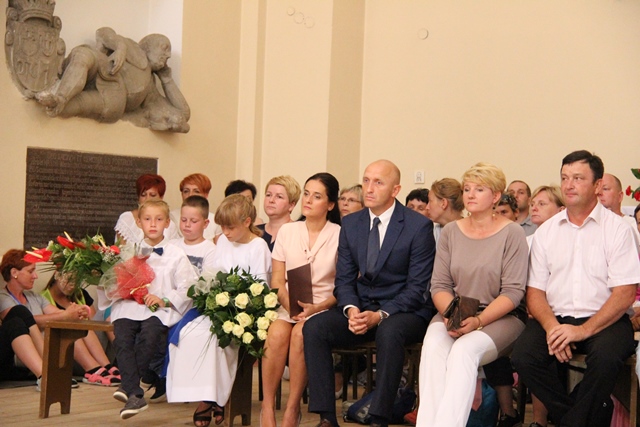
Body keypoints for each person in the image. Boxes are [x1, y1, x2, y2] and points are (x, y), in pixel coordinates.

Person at [511, 150, 640, 427]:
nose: (568, 185)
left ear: (597, 185)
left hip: (606, 319)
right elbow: (535, 292)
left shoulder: (618, 230)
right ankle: (579, 417)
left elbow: (625, 294)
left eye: (578, 178)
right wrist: (552, 328)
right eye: (564, 178)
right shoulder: (546, 232)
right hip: (555, 317)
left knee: (606, 359)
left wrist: (582, 331)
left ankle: (571, 421)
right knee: (523, 356)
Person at [303, 159, 435, 427]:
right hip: (362, 307)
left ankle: (379, 417)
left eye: (378, 182)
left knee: (389, 331)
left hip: (404, 310)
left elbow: (417, 288)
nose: (369, 188)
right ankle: (326, 417)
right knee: (315, 327)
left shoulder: (417, 226)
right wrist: (351, 310)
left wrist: (380, 315)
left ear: (395, 190)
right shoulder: (352, 223)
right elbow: (344, 280)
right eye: (366, 181)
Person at [416, 163, 528, 427]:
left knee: (463, 351)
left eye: (479, 189)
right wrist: (452, 316)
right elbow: (439, 285)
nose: (470, 195)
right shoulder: (451, 231)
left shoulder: (512, 233)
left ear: (496, 196)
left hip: (500, 316)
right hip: (454, 310)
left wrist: (478, 321)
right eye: (467, 189)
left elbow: (513, 292)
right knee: (433, 347)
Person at [167, 194, 272, 427]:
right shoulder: (223, 241)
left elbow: (260, 287)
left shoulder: (258, 246)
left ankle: (211, 399)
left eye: (230, 227)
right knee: (189, 334)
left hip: (243, 312)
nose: (225, 232)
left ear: (247, 222)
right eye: (222, 226)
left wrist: (235, 303)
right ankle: (206, 395)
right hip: (220, 307)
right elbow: (213, 274)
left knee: (215, 339)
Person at [104, 199, 198, 419]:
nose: (153, 224)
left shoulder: (176, 254)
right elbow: (115, 282)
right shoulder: (129, 252)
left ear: (167, 223)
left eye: (158, 219)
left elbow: (188, 287)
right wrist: (125, 289)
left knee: (150, 335)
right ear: (139, 222)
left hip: (159, 308)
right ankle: (135, 393)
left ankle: (129, 388)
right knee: (122, 338)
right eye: (147, 219)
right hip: (129, 306)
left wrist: (164, 299)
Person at [260, 173, 341, 427]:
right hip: (289, 303)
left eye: (316, 196)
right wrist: (290, 306)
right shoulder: (288, 230)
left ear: (330, 204)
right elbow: (277, 280)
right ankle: (267, 406)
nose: (308, 200)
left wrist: (316, 308)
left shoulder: (340, 234)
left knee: (300, 334)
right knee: (276, 333)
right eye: (306, 193)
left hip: (323, 307)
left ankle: (292, 408)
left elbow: (344, 286)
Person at [36, 27, 190, 132]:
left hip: (113, 98)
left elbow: (184, 113)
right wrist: (120, 48)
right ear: (149, 45)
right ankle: (60, 95)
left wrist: (167, 80)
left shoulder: (150, 88)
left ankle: (55, 103)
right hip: (104, 66)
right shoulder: (129, 45)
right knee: (83, 56)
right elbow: (102, 32)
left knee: (78, 105)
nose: (168, 55)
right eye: (164, 48)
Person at [0, 249, 91, 390]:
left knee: (70, 322)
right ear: (14, 273)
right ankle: (48, 373)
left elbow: (59, 314)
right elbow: (16, 319)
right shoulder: (3, 297)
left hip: (34, 357)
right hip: (12, 356)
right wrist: (64, 315)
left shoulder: (35, 297)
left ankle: (96, 368)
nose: (35, 276)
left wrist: (75, 312)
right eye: (31, 271)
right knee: (20, 312)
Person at [42, 273, 121, 385]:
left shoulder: (80, 293)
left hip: (95, 346)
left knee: (105, 313)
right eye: (69, 280)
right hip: (70, 352)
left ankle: (110, 364)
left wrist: (84, 314)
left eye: (76, 281)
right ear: (57, 275)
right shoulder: (44, 299)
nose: (72, 285)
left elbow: (94, 324)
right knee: (71, 324)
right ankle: (94, 368)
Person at [115, 173, 179, 245]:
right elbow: (121, 249)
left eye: (153, 195)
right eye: (143, 195)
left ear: (161, 197)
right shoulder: (126, 219)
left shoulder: (170, 225)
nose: (147, 199)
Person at [171, 173, 222, 242]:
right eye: (186, 191)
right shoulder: (172, 217)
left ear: (206, 194)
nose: (190, 195)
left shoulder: (215, 220)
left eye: (196, 191)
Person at [258, 175, 302, 252]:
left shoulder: (300, 232)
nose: (271, 200)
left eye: (279, 197)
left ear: (291, 205)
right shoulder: (255, 231)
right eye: (268, 195)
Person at [598, 173, 640, 249]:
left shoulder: (633, 225)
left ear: (620, 196)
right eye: (597, 188)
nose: (599, 193)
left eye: (605, 189)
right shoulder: (588, 224)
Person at [425, 178, 464, 242]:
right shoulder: (432, 232)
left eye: (430, 201)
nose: (427, 207)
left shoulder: (470, 233)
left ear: (443, 203)